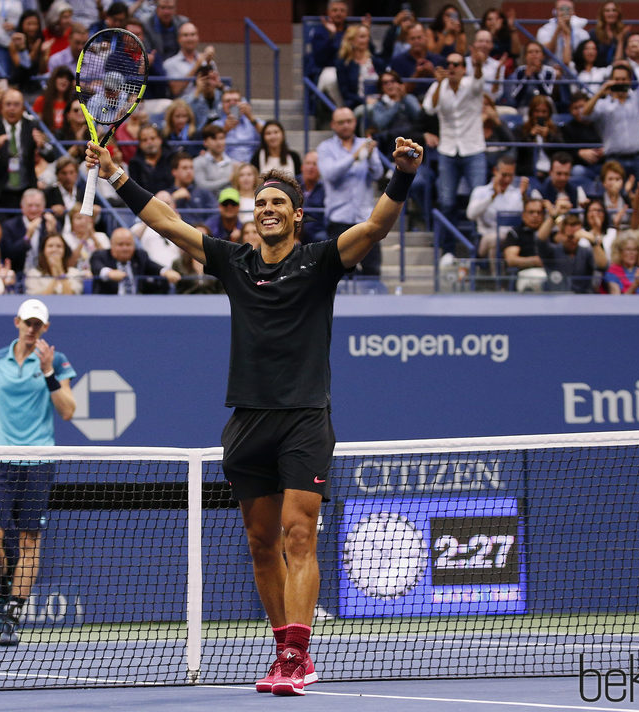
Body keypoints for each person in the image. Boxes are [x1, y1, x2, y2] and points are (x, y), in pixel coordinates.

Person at [84, 126, 424, 697]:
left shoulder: (320, 263)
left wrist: (403, 174)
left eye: (277, 204)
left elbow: (374, 227)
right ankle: (281, 649)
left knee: (299, 534)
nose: (266, 209)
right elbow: (166, 223)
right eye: (259, 203)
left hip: (304, 418)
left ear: (295, 217)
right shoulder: (235, 262)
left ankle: (298, 654)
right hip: (247, 422)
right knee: (261, 543)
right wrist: (117, 173)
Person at [0, 298, 76, 646]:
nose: (31, 328)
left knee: (29, 542)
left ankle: (11, 614)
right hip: (0, 461)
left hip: (39, 462)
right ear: (17, 322)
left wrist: (49, 373)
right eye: (27, 322)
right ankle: (1, 586)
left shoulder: (57, 361)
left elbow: (68, 411)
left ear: (45, 329)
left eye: (38, 324)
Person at [423, 49, 487, 260]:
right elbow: (430, 108)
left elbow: (479, 82)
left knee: (478, 202)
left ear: (464, 68)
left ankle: (479, 254)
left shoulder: (471, 84)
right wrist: (440, 84)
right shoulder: (438, 86)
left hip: (473, 149)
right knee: (447, 202)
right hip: (448, 150)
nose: (452, 67)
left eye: (457, 64)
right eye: (449, 63)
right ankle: (448, 251)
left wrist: (478, 65)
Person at [317, 107, 385, 276]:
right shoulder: (326, 148)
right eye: (341, 122)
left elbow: (378, 174)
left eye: (349, 121)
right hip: (339, 219)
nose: (345, 125)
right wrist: (354, 156)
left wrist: (369, 157)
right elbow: (329, 174)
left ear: (355, 123)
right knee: (339, 274)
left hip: (365, 219)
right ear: (333, 125)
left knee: (373, 271)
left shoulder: (366, 145)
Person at [0, 88, 59, 209]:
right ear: (1, 107)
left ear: (23, 108)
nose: (12, 109)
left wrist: (42, 146)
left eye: (16, 104)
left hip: (26, 191)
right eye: (8, 104)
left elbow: (51, 157)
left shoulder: (32, 126)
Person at [583, 63, 639, 182]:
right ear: (611, 80)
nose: (620, 82)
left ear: (629, 80)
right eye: (616, 79)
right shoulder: (603, 105)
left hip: (637, 158)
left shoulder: (637, 98)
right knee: (616, 193)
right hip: (614, 159)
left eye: (623, 79)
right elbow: (584, 114)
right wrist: (600, 92)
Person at [466, 155, 526, 264]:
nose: (507, 179)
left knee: (499, 242)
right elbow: (471, 215)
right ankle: (497, 279)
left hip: (510, 239)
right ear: (495, 171)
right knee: (494, 240)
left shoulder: (517, 194)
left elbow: (520, 217)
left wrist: (523, 197)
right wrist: (492, 196)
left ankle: (496, 278)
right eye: (504, 175)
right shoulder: (480, 191)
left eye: (510, 176)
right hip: (484, 238)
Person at [89, 226, 181, 294]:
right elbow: (97, 268)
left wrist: (166, 272)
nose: (125, 248)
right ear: (112, 245)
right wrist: (109, 273)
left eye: (128, 244)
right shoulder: (100, 255)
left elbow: (153, 266)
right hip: (108, 304)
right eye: (120, 245)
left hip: (136, 304)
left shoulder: (140, 256)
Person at [537, 212, 607, 293]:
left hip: (583, 299)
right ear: (561, 234)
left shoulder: (586, 252)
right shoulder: (552, 251)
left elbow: (602, 266)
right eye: (570, 237)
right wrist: (553, 215)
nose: (574, 241)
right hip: (557, 299)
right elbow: (540, 240)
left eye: (576, 237)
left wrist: (593, 241)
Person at [0, 188, 59, 275]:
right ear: (22, 207)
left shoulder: (51, 224)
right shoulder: (9, 226)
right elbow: (8, 255)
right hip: (17, 274)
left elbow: (61, 253)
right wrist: (27, 237)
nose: (33, 209)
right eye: (30, 205)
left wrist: (52, 233)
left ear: (43, 207)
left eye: (37, 205)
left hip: (45, 274)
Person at [335, 23, 385, 111]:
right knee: (370, 110)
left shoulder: (376, 62)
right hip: (358, 105)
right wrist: (365, 100)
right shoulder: (344, 64)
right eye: (362, 37)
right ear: (351, 40)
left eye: (367, 37)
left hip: (379, 103)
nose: (366, 40)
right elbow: (346, 93)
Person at [513, 96, 563, 181]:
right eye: (537, 111)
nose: (540, 115)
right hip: (528, 174)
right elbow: (518, 152)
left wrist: (549, 136)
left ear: (549, 113)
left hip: (551, 174)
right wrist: (530, 136)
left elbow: (562, 151)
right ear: (531, 112)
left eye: (544, 112)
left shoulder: (555, 130)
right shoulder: (521, 129)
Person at [503, 198, 549, 291]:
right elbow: (511, 260)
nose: (535, 216)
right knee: (539, 281)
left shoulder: (551, 232)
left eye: (539, 212)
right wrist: (534, 261)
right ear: (523, 215)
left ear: (544, 215)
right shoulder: (515, 233)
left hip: (550, 271)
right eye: (531, 212)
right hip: (526, 272)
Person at [162, 21, 216, 98]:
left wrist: (207, 64)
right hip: (183, 106)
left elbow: (215, 86)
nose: (190, 38)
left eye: (193, 35)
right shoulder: (170, 63)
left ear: (198, 38)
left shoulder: (208, 61)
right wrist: (197, 65)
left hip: (206, 103)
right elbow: (175, 90)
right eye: (185, 35)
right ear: (179, 39)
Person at [537, 0, 590, 64]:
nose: (565, 12)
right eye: (561, 9)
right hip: (551, 69)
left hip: (574, 70)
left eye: (568, 9)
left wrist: (568, 36)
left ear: (573, 12)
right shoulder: (545, 30)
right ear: (555, 11)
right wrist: (558, 30)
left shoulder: (582, 34)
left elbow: (585, 58)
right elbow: (545, 54)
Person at [169, 151, 215, 225]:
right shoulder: (167, 194)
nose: (189, 171)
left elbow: (215, 215)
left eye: (191, 168)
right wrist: (173, 198)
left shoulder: (203, 193)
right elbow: (160, 217)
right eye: (185, 168)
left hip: (201, 233)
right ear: (174, 172)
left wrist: (204, 228)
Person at [220, 88, 263, 164]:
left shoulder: (254, 121)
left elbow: (268, 134)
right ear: (222, 105)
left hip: (252, 165)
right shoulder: (217, 125)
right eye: (227, 101)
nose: (232, 103)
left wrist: (251, 118)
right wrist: (225, 130)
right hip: (227, 167)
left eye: (236, 101)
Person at [192, 123, 234, 195]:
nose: (219, 142)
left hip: (230, 204)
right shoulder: (197, 162)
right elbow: (201, 186)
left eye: (221, 138)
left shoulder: (233, 163)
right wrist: (228, 180)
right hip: (206, 204)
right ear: (205, 142)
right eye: (214, 139)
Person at [32, 66, 75, 133]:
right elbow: (37, 125)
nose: (64, 81)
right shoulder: (41, 101)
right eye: (61, 77)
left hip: (66, 138)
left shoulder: (73, 103)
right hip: (47, 138)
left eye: (68, 79)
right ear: (54, 80)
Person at [298, 151, 327, 245]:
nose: (311, 167)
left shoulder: (325, 188)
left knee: (323, 237)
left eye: (315, 164)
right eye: (308, 163)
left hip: (316, 231)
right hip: (295, 231)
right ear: (302, 167)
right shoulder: (292, 185)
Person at [589, 1, 628, 67]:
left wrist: (620, 41)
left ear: (618, 14)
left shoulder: (625, 34)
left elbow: (621, 60)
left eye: (614, 10)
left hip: (618, 71)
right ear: (602, 14)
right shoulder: (593, 33)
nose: (611, 13)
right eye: (607, 11)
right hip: (598, 71)